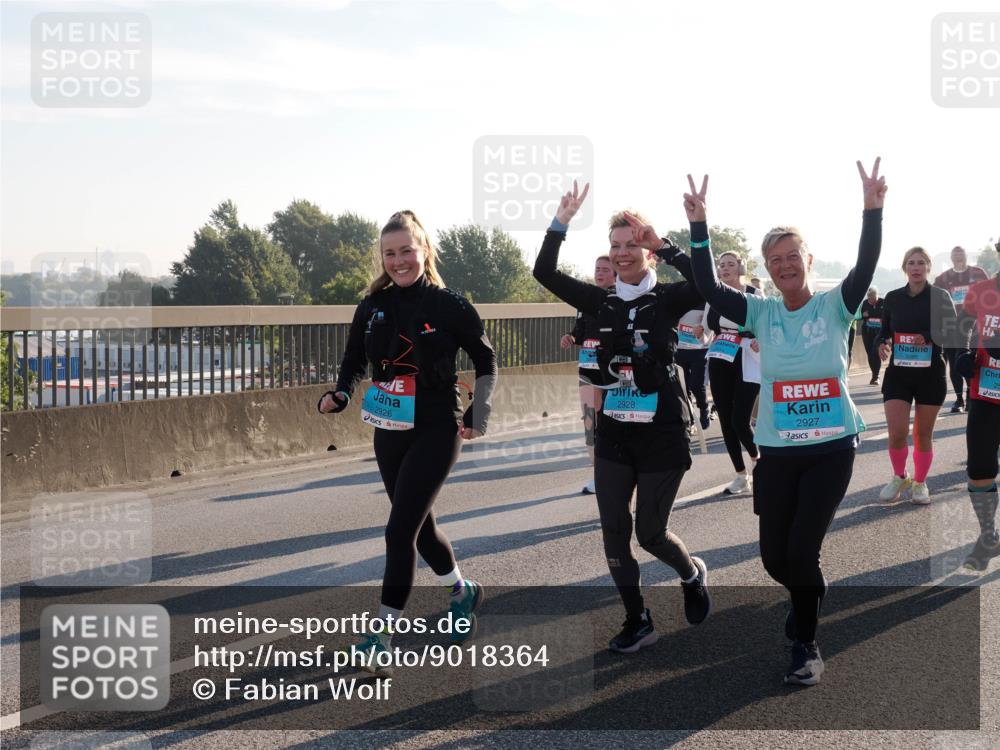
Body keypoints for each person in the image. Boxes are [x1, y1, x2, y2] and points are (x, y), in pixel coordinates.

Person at [690, 158, 886, 686]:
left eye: (792, 256)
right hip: (776, 450)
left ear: (808, 259)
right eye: (774, 259)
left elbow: (867, 265)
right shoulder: (760, 312)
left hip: (831, 448)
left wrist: (872, 210)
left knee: (803, 549)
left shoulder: (835, 306)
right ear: (768, 268)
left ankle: (805, 642)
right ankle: (808, 595)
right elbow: (708, 286)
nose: (784, 265)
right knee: (775, 557)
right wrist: (698, 227)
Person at [533, 181, 712, 654]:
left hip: (662, 430)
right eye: (615, 246)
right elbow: (544, 271)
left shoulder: (668, 299)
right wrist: (560, 223)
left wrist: (671, 244)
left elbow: (706, 283)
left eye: (632, 245)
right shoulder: (602, 300)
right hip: (615, 429)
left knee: (650, 534)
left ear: (646, 251)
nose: (623, 254)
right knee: (613, 527)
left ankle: (691, 574)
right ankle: (638, 619)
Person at [318, 210, 498, 673]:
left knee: (399, 530)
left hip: (438, 423)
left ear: (424, 251)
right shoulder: (372, 305)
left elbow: (487, 360)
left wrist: (481, 408)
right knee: (418, 528)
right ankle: (463, 590)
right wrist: (340, 392)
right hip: (389, 423)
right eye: (389, 253)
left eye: (406, 251)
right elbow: (353, 359)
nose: (398, 261)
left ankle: (381, 634)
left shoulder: (450, 305)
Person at [877, 247, 958, 505]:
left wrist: (929, 335)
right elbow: (883, 331)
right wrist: (881, 344)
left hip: (930, 375)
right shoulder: (892, 298)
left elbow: (953, 331)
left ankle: (921, 483)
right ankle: (900, 476)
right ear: (904, 267)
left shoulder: (940, 296)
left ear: (928, 267)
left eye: (921, 263)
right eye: (911, 262)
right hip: (899, 374)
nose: (916, 267)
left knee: (923, 435)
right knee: (897, 432)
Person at [705, 251, 761, 495]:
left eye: (730, 264)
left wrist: (761, 339)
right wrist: (700, 329)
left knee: (740, 419)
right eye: (722, 265)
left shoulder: (754, 294)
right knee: (726, 419)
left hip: (747, 356)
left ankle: (758, 461)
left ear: (741, 267)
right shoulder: (713, 295)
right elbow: (708, 325)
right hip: (720, 356)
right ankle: (740, 475)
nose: (725, 268)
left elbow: (764, 322)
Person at [954, 273, 1000, 571]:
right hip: (985, 394)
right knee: (979, 470)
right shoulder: (981, 291)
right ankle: (988, 536)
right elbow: (962, 327)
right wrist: (963, 353)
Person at [561, 255, 617, 494]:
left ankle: (616, 474)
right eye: (597, 269)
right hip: (587, 369)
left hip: (610, 372)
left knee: (609, 424)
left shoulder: (619, 300)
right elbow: (580, 333)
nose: (600, 273)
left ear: (615, 274)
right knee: (589, 423)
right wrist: (571, 338)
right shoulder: (584, 301)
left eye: (605, 269)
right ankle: (599, 475)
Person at [934, 246, 989, 412]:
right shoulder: (942, 278)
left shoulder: (978, 273)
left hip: (975, 327)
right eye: (955, 254)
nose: (959, 257)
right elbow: (934, 302)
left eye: (961, 254)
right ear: (951, 258)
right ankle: (959, 399)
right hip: (951, 327)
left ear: (966, 256)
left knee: (974, 362)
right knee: (955, 363)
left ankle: (971, 395)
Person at [675, 305, 713, 431]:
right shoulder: (680, 296)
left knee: (696, 384)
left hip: (700, 348)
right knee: (683, 386)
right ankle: (689, 418)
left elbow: (710, 324)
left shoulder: (705, 298)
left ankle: (703, 408)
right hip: (681, 347)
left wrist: (704, 325)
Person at [860, 287, 886, 384]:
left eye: (874, 299)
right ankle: (874, 375)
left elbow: (884, 314)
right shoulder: (865, 303)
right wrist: (865, 315)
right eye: (870, 299)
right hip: (867, 332)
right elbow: (861, 315)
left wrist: (870, 313)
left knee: (875, 352)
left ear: (877, 296)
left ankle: (877, 376)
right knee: (870, 354)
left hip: (879, 332)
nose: (872, 301)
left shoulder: (883, 302)